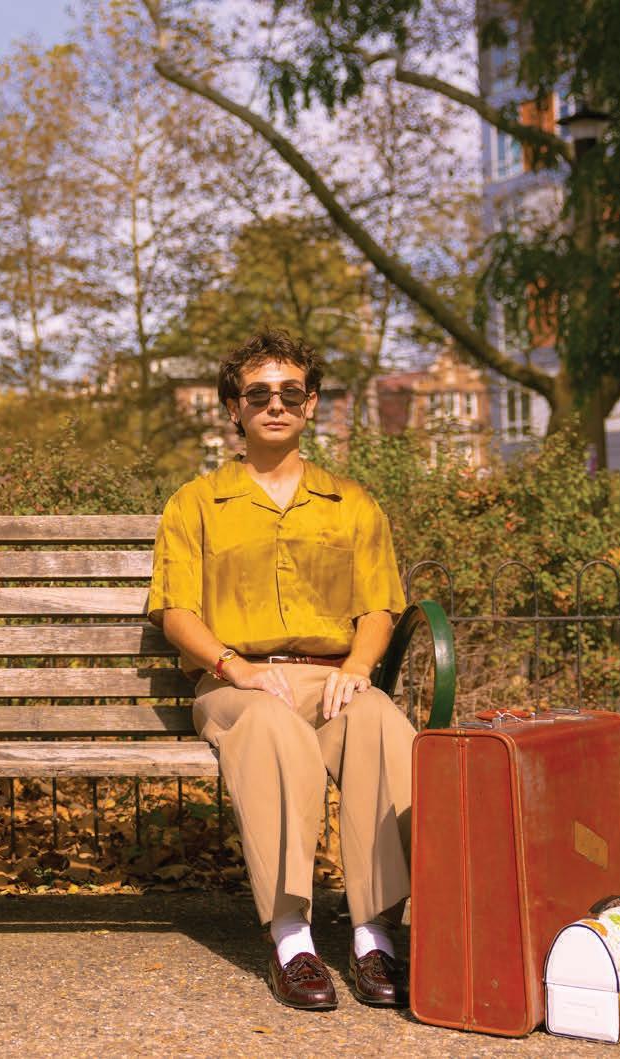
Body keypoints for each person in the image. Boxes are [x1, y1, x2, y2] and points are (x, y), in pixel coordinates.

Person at [147, 329, 413, 1011]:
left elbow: (379, 606)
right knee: (271, 728)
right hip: (235, 684)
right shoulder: (195, 502)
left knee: (381, 723)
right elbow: (176, 612)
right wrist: (232, 666)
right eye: (258, 393)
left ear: (311, 403)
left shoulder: (352, 502)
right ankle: (292, 937)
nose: (275, 404)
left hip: (331, 677)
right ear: (232, 408)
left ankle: (374, 933)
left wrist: (359, 666)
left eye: (290, 393)